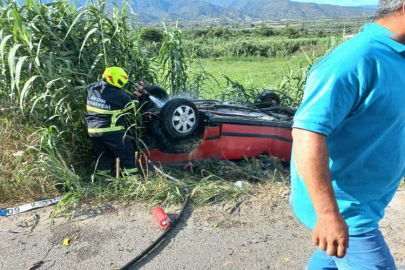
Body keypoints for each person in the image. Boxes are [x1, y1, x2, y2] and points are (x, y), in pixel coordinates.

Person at [290, 1, 405, 269]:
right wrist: (329, 215)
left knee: (330, 257)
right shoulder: (355, 59)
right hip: (343, 208)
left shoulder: (397, 55)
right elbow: (307, 133)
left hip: (365, 202)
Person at [86, 67, 143, 176]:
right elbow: (133, 108)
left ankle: (103, 181)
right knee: (127, 153)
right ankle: (133, 180)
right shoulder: (119, 95)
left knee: (102, 156)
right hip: (111, 130)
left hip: (93, 131)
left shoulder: (93, 89)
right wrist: (135, 96)